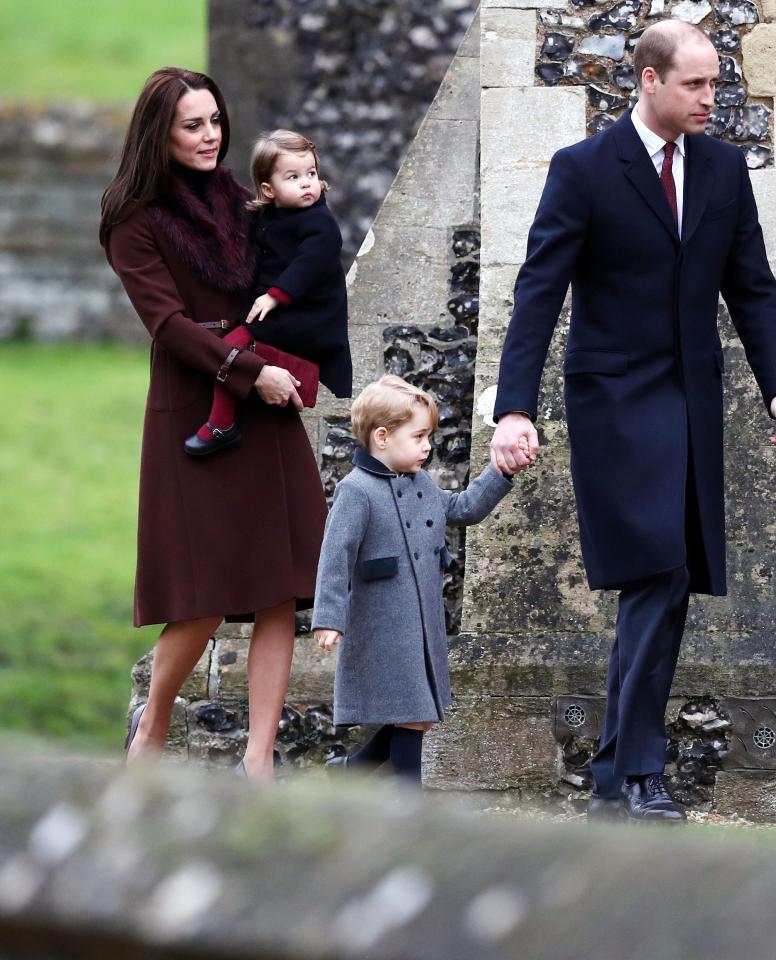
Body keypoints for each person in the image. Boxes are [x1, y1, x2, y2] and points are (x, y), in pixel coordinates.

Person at [490, 21, 776, 822]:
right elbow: (538, 292)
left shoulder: (727, 170)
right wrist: (514, 407)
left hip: (692, 400)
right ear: (648, 81)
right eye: (696, 84)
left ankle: (615, 775)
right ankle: (640, 772)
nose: (712, 98)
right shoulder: (585, 169)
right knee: (657, 569)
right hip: (615, 401)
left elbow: (754, 287)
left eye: (715, 82)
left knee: (664, 579)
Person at [100, 68, 330, 780]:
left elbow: (304, 249)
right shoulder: (132, 221)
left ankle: (258, 760)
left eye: (214, 121)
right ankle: (156, 719)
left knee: (277, 591)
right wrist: (246, 373)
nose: (210, 136)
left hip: (264, 403)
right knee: (199, 601)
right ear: (159, 135)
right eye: (192, 125)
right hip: (194, 409)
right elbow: (166, 325)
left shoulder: (242, 200)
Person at [312, 376, 516, 786]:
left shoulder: (419, 483)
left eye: (429, 436)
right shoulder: (357, 491)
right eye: (419, 436)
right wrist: (329, 618)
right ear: (383, 437)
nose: (427, 446)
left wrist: (501, 470)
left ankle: (351, 772)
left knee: (417, 715)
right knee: (411, 714)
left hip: (423, 626)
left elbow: (463, 508)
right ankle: (410, 810)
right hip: (383, 624)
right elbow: (335, 556)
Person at [185, 128, 352, 456]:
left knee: (233, 348)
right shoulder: (268, 216)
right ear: (268, 189)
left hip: (308, 314)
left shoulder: (320, 224)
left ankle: (221, 424)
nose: (306, 182)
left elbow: (310, 262)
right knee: (239, 349)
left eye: (312, 173)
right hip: (282, 310)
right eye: (293, 176)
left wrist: (276, 294)